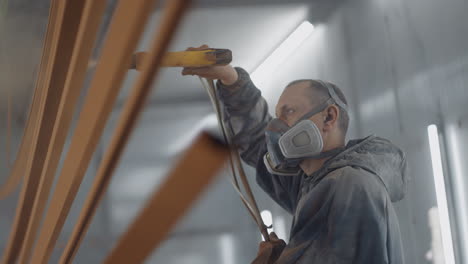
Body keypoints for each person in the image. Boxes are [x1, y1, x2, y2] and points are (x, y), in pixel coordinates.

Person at [182, 45, 408, 264]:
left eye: (288, 112)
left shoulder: (346, 184)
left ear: (328, 117)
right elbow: (257, 143)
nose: (276, 127)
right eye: (278, 115)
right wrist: (231, 79)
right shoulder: (313, 181)